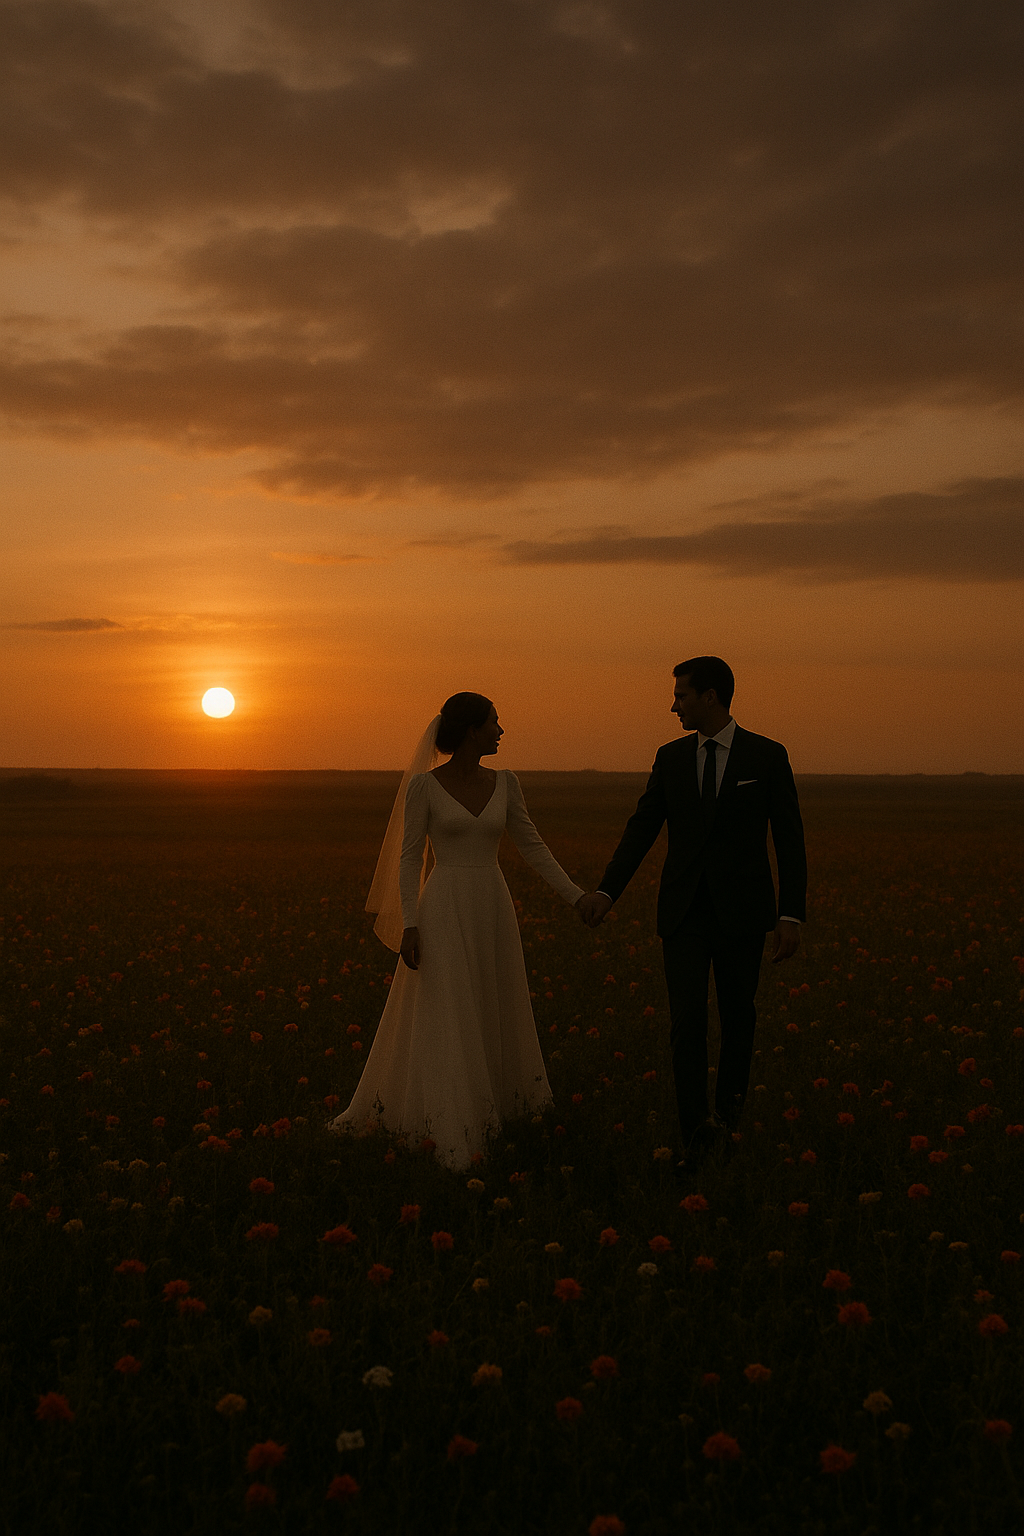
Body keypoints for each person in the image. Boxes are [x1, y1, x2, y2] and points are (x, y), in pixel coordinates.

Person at [327, 693, 586, 1169]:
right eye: (494, 722)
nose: (501, 731)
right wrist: (409, 923)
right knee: (449, 1010)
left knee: (493, 1001)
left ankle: (501, 1112)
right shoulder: (424, 788)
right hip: (442, 907)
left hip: (492, 905)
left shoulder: (506, 783)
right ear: (472, 730)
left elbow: (533, 847)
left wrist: (577, 896)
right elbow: (409, 859)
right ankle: (449, 1126)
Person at [577, 658, 806, 1171]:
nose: (673, 704)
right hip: (683, 914)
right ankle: (695, 1134)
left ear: (710, 696)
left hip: (745, 915)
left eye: (681, 695)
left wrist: (791, 914)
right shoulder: (672, 757)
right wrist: (607, 892)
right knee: (687, 1025)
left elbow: (789, 839)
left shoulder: (767, 756)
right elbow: (643, 828)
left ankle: (728, 1124)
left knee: (738, 1020)